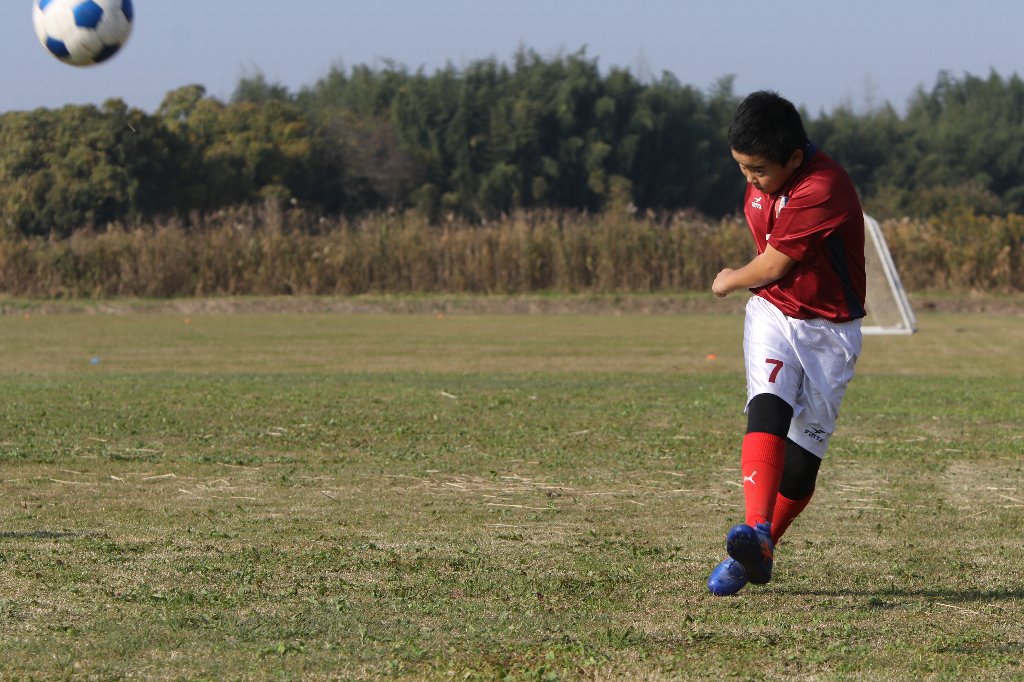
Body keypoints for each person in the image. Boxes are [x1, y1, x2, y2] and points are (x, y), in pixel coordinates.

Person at [707, 91, 866, 596]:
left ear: (794, 158)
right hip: (774, 313)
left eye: (757, 169)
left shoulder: (823, 186)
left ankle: (763, 545)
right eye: (740, 167)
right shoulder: (763, 182)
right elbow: (774, 271)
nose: (748, 179)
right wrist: (751, 286)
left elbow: (775, 263)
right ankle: (755, 526)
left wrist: (728, 279)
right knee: (767, 407)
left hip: (829, 332)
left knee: (800, 467)